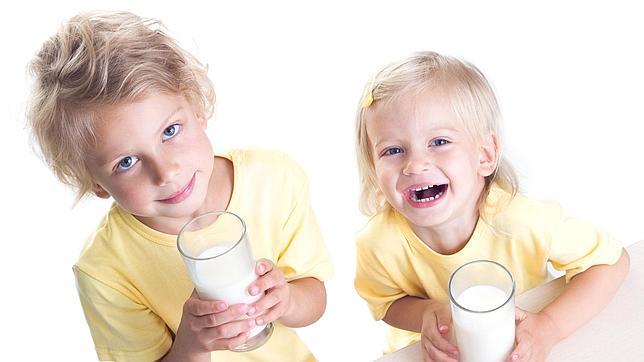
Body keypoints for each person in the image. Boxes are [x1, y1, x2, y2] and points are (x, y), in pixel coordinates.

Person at [26, 11, 333, 362]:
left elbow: (314, 295)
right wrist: (191, 345)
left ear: (196, 107)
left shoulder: (274, 179)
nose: (166, 172)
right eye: (126, 162)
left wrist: (287, 300)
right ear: (96, 184)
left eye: (170, 131)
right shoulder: (106, 270)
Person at [353, 51, 629, 361]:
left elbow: (611, 263)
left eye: (439, 142)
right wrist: (426, 313)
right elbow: (387, 302)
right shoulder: (378, 243)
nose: (415, 165)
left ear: (484, 155)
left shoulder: (521, 221)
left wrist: (549, 326)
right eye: (392, 150)